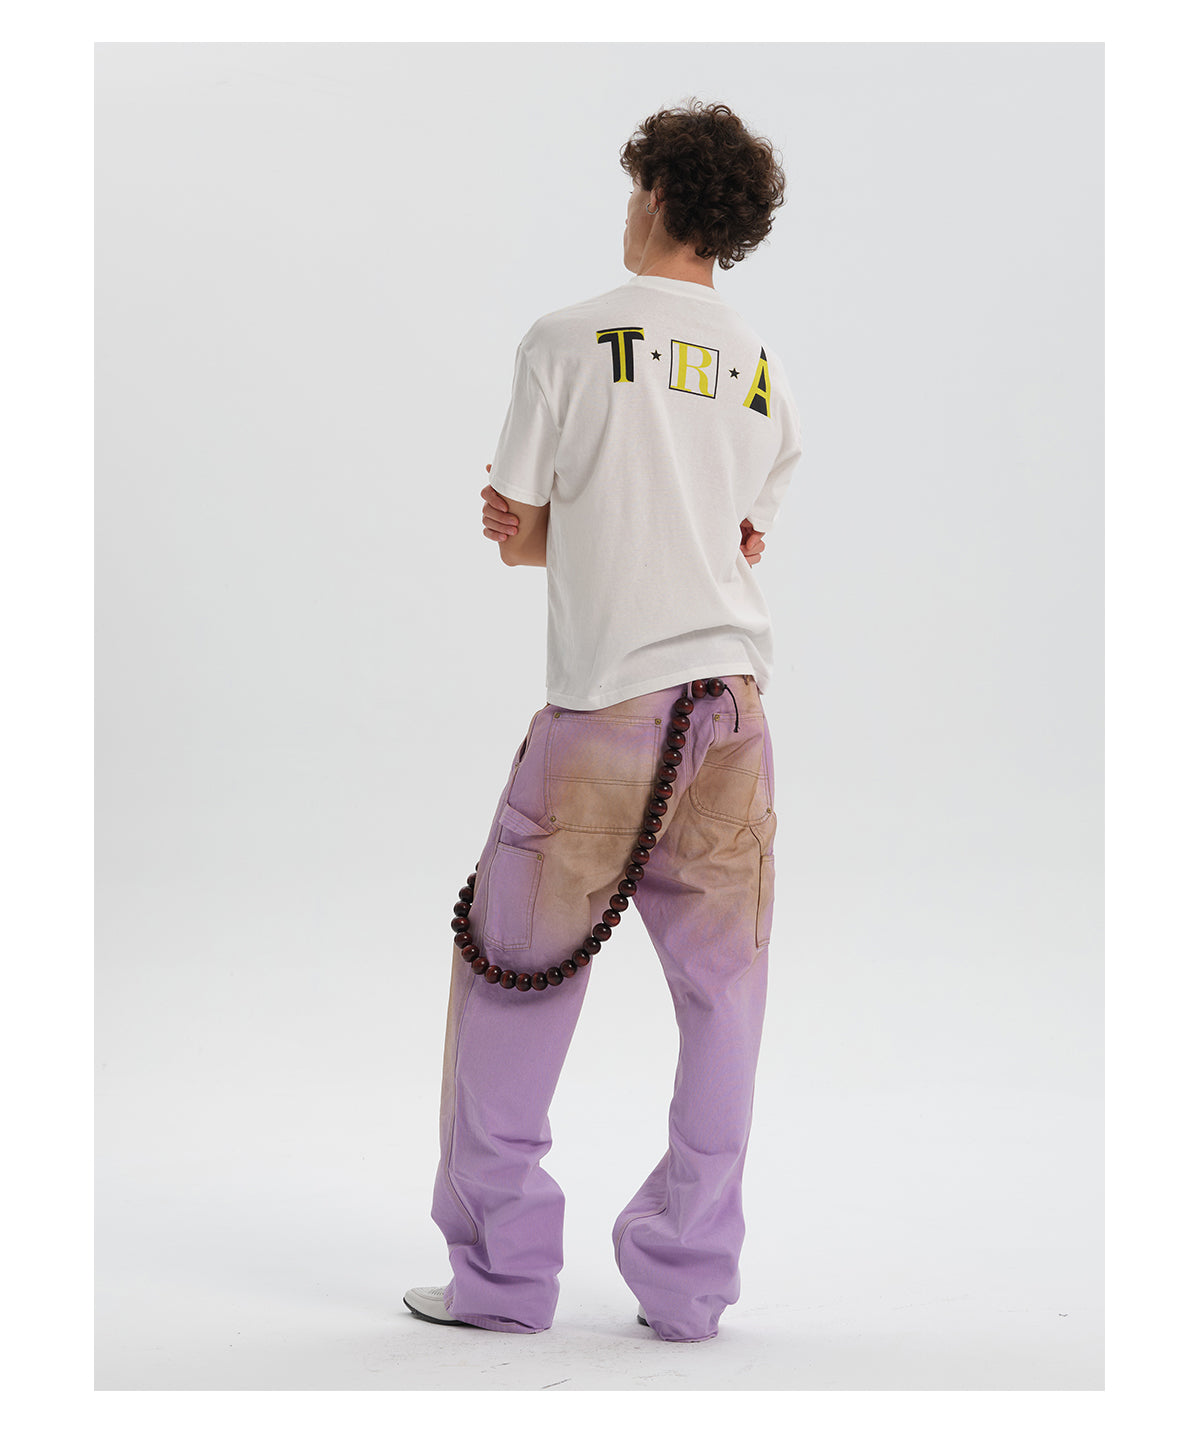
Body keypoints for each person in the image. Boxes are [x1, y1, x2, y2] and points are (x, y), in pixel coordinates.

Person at [405, 99, 802, 1344]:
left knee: (514, 979)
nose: (626, 209)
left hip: (607, 718)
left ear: (659, 197)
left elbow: (520, 529)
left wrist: (537, 530)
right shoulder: (762, 371)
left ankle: (503, 1280)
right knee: (724, 1001)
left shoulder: (567, 338)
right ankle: (688, 1286)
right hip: (733, 713)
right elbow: (736, 537)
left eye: (635, 188)